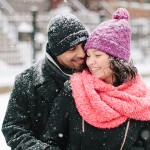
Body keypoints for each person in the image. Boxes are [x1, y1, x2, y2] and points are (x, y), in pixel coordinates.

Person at [42, 8, 150, 150]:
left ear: (117, 59)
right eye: (89, 55)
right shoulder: (74, 91)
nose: (90, 62)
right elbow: (51, 140)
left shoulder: (140, 99)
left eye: (97, 55)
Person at [1, 14, 88, 149]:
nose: (82, 53)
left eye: (84, 46)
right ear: (56, 50)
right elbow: (14, 129)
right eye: (72, 48)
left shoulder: (97, 73)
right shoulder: (27, 81)